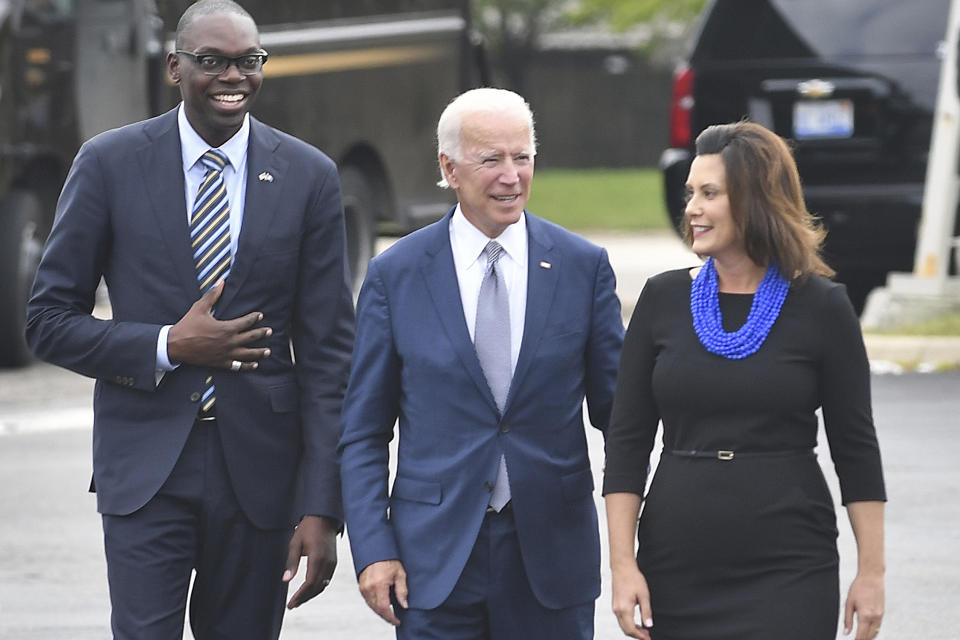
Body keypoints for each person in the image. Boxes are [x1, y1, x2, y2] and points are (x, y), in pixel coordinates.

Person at [25, 1, 354, 637]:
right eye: (213, 62)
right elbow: (47, 319)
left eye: (248, 61)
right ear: (175, 67)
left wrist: (322, 506)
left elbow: (329, 354)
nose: (234, 76)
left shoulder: (309, 176)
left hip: (261, 473)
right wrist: (167, 346)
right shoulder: (108, 163)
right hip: (145, 466)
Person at [338, 87, 625, 640]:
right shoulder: (396, 275)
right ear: (448, 167)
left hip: (551, 559)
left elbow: (621, 420)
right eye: (491, 159)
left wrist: (630, 540)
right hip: (432, 563)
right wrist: (373, 549)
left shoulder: (581, 267)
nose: (511, 176)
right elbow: (363, 431)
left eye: (523, 157)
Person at [603, 121, 886, 640]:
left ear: (756, 201)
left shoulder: (823, 307)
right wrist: (623, 567)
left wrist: (872, 573)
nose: (691, 208)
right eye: (690, 192)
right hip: (678, 560)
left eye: (709, 193)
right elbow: (626, 443)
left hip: (790, 563)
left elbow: (857, 449)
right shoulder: (662, 298)